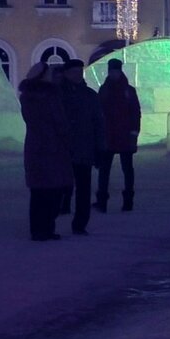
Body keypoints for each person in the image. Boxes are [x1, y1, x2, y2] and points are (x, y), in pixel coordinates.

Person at [19, 62, 73, 241]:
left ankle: (38, 229)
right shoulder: (51, 96)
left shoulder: (27, 97)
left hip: (35, 146)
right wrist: (65, 136)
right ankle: (47, 228)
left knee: (38, 192)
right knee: (52, 190)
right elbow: (60, 122)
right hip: (53, 146)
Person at [59, 59, 106, 235]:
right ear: (66, 74)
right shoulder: (58, 95)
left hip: (84, 149)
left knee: (83, 188)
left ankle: (80, 223)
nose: (77, 75)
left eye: (80, 72)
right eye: (74, 72)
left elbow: (99, 123)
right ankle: (56, 214)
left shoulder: (89, 95)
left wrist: (100, 147)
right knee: (60, 185)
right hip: (63, 149)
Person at [95, 58, 142, 212]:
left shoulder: (126, 90)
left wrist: (133, 133)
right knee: (106, 169)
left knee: (126, 168)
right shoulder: (106, 90)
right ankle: (103, 200)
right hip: (109, 134)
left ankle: (127, 200)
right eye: (112, 71)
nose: (114, 73)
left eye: (116, 71)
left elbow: (135, 113)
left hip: (122, 134)